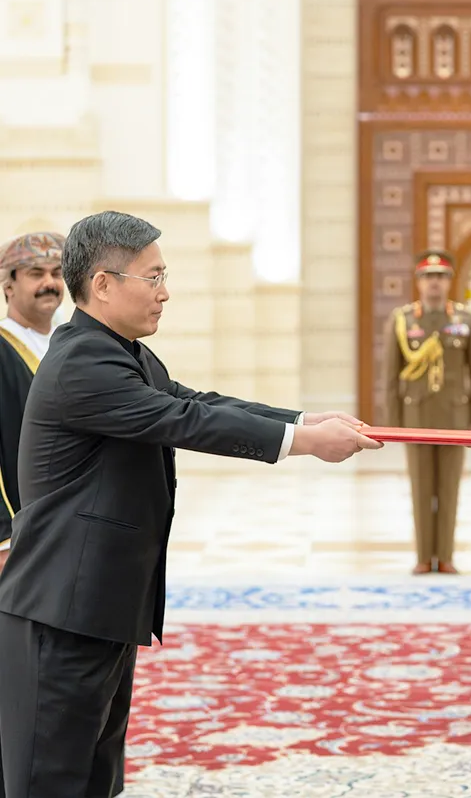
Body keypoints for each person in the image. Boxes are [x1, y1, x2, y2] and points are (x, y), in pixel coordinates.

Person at [0, 211, 383, 797]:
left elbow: (195, 398)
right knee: (50, 778)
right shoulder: (84, 361)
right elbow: (185, 420)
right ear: (103, 284)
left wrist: (305, 419)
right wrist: (305, 444)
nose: (165, 291)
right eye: (152, 277)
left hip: (95, 605)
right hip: (61, 608)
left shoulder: (119, 350)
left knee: (94, 776)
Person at [382, 250, 471, 574]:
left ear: (450, 281)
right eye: (428, 278)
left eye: (440, 277)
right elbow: (390, 376)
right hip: (416, 416)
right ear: (418, 282)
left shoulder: (464, 321)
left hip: (455, 417)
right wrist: (394, 425)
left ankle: (447, 556)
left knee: (450, 487)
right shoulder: (403, 321)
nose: (434, 285)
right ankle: (424, 557)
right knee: (421, 487)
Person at [0, 232, 66, 563]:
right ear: (8, 285)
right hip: (21, 532)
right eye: (36, 274)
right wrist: (2, 538)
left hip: (69, 524)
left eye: (56, 273)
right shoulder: (2, 348)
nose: (49, 283)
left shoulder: (70, 343)